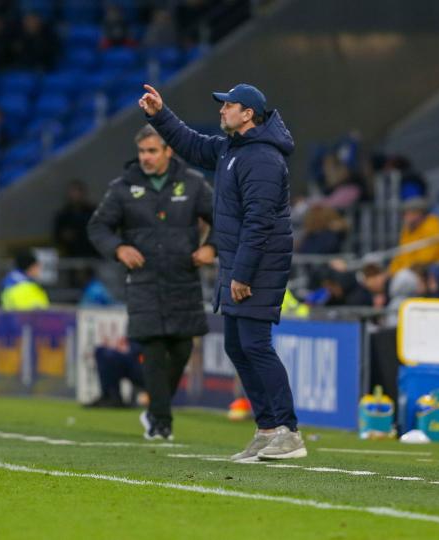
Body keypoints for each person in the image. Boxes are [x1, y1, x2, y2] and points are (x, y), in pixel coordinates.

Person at [141, 83, 306, 460]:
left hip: (258, 265)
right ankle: (267, 430)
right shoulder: (234, 149)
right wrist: (159, 115)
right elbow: (193, 145)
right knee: (237, 345)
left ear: (248, 113)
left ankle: (288, 431)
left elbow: (259, 222)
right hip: (240, 263)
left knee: (255, 345)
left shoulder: (262, 157)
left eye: (228, 105)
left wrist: (243, 274)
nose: (221, 110)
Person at [88, 124, 215, 441]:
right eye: (142, 151)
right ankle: (161, 422)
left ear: (168, 151)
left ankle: (154, 409)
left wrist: (213, 247)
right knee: (154, 350)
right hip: (144, 281)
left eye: (152, 151)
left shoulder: (194, 184)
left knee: (183, 348)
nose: (145, 157)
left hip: (183, 278)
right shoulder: (122, 188)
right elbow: (98, 227)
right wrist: (119, 248)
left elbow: (224, 220)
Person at [388, 198, 439, 274]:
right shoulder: (407, 229)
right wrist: (391, 272)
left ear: (419, 214)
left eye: (408, 213)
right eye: (405, 214)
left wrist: (405, 269)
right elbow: (400, 256)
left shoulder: (432, 225)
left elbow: (427, 257)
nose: (405, 217)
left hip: (427, 269)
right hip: (408, 270)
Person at [53, 180, 97, 258]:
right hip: (71, 255)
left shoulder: (93, 212)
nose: (76, 194)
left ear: (83, 193)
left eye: (78, 191)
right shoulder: (63, 215)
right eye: (73, 191)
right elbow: (57, 235)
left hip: (92, 255)